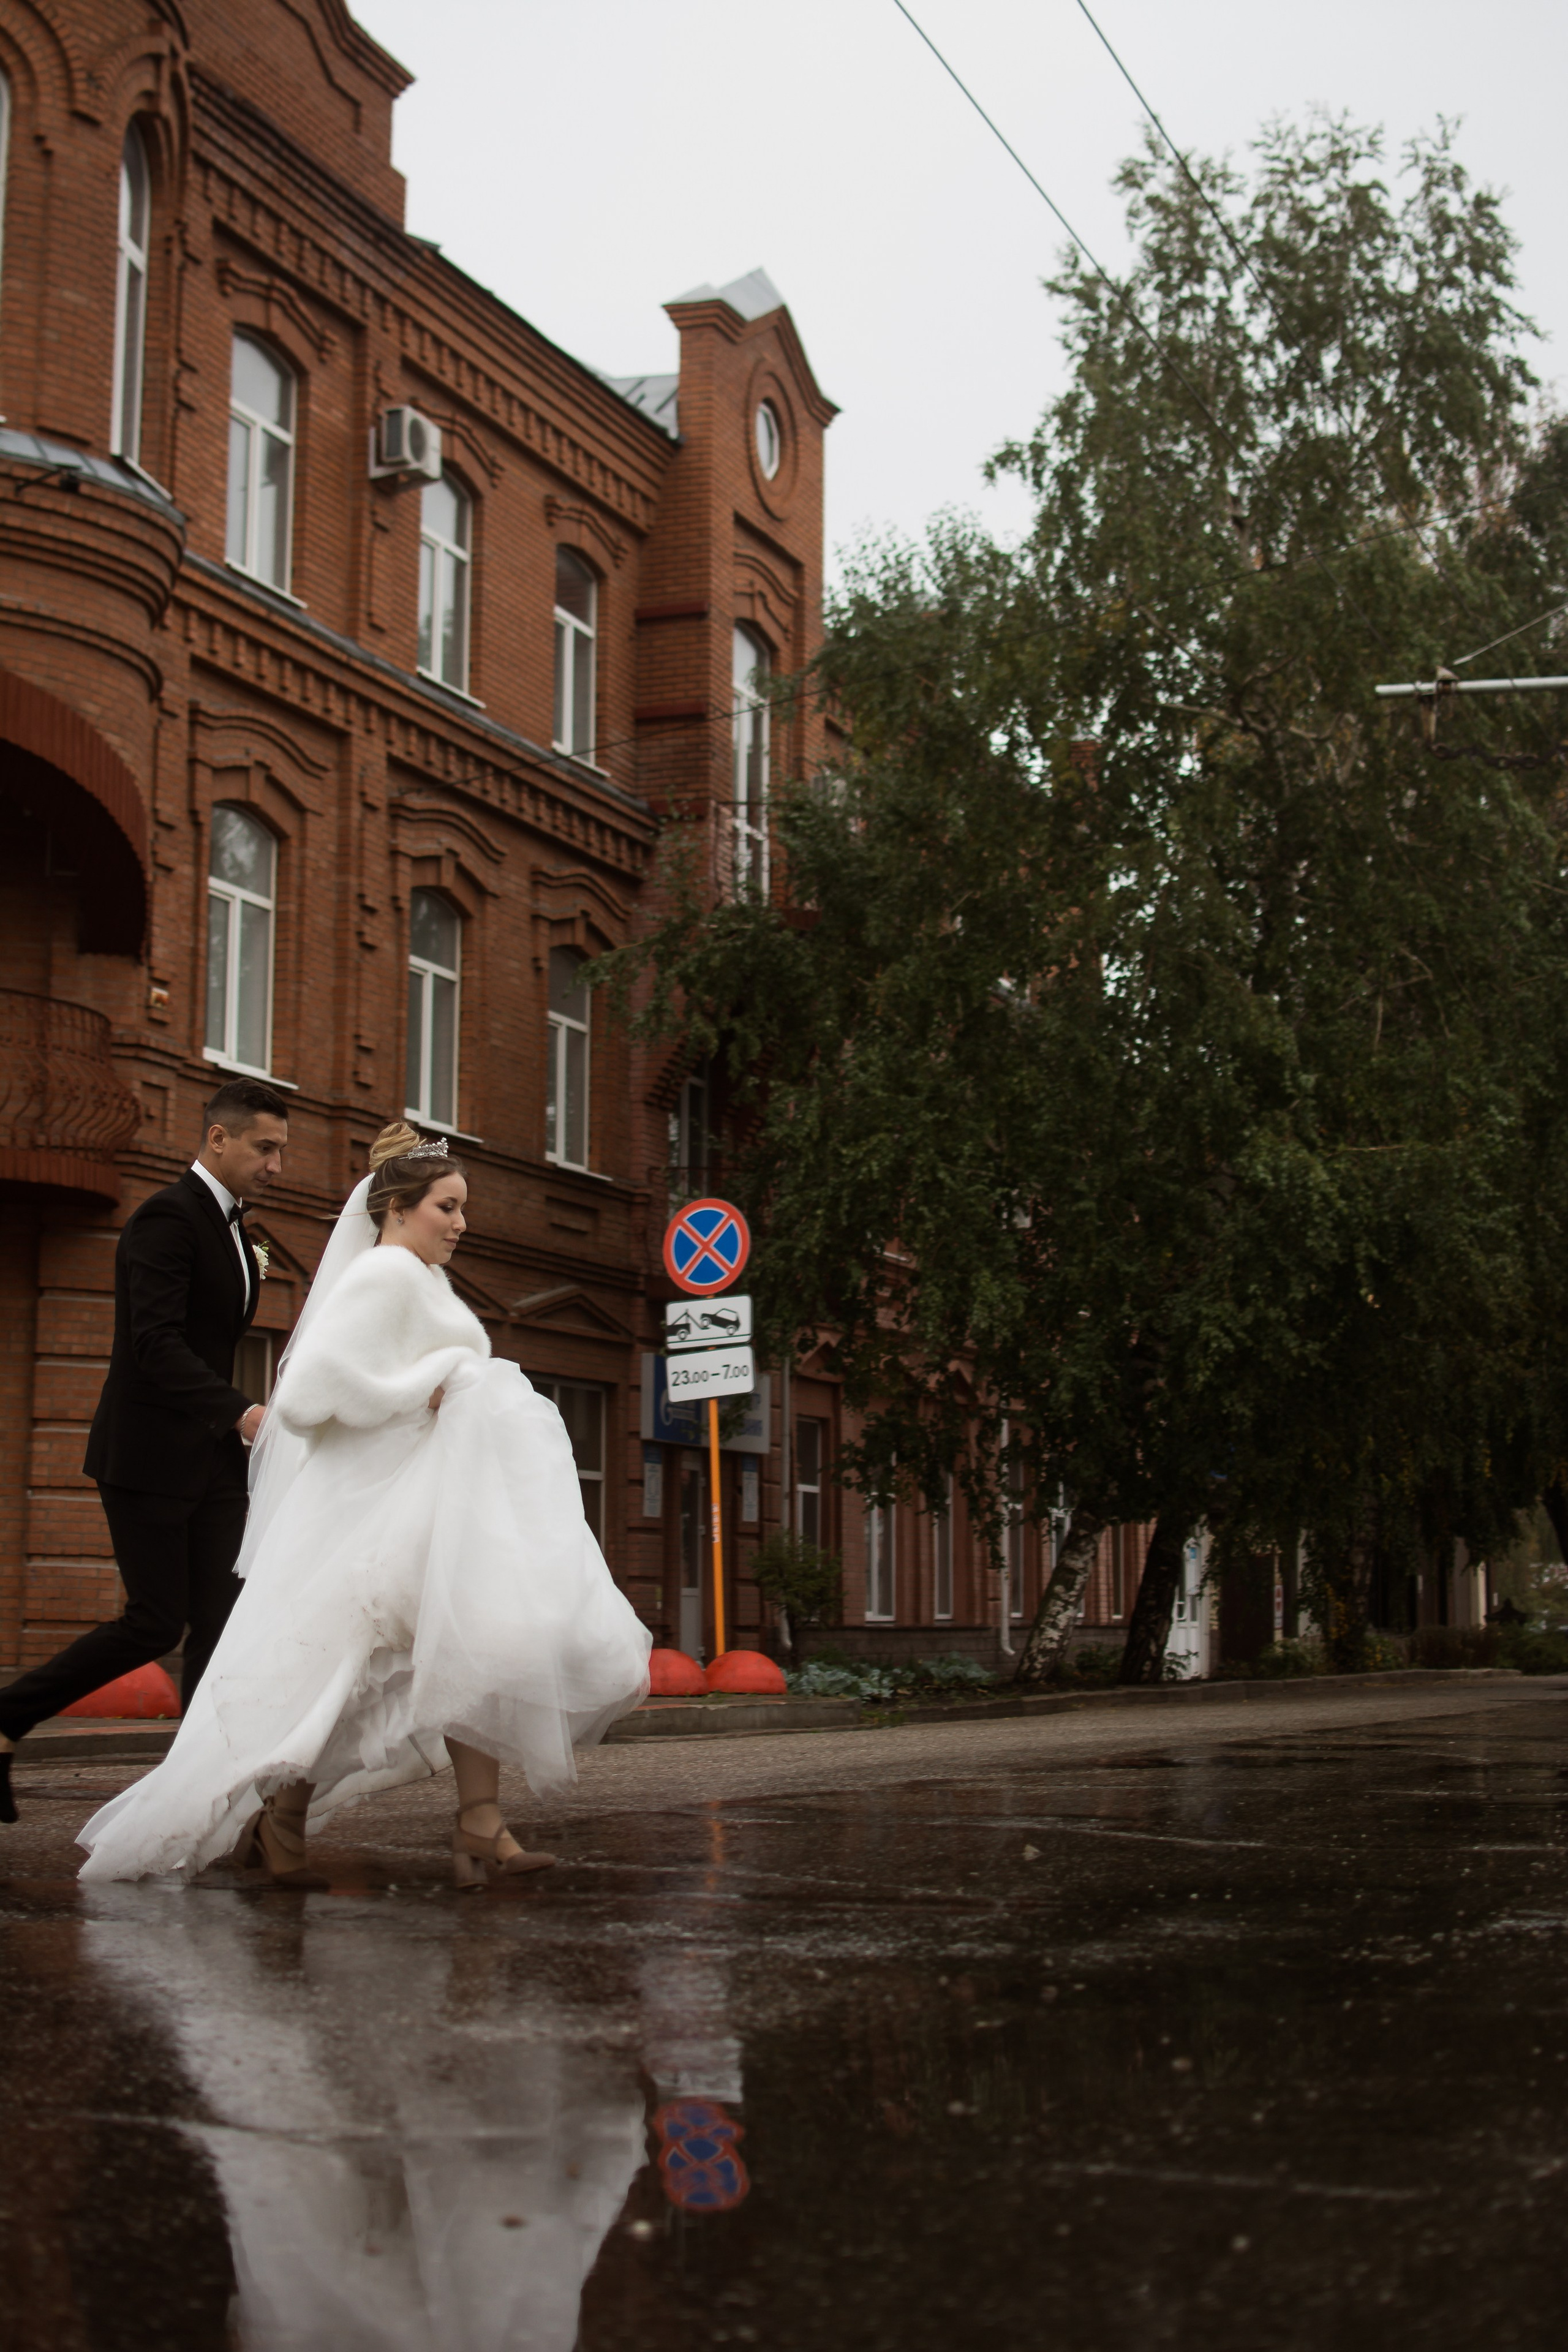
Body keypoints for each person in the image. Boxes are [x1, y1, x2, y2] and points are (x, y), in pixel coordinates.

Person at [76, 1123, 652, 1888]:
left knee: (464, 1645)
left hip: (418, 1504)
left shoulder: (420, 1279)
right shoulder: (384, 1276)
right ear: (398, 1209)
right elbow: (309, 1399)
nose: (460, 1223)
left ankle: (471, 1821)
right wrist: (425, 1387)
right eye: (446, 1207)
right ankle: (286, 1823)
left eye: (462, 1209)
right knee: (338, 1680)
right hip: (372, 1515)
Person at [0, 1079, 287, 1827]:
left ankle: (201, 1796)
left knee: (222, 1621)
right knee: (155, 1624)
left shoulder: (235, 1228)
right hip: (149, 1456)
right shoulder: (166, 1218)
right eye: (265, 1147)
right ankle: (6, 1715)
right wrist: (241, 1411)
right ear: (218, 1140)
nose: (277, 1164)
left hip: (215, 1462)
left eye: (281, 1150)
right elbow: (154, 1345)